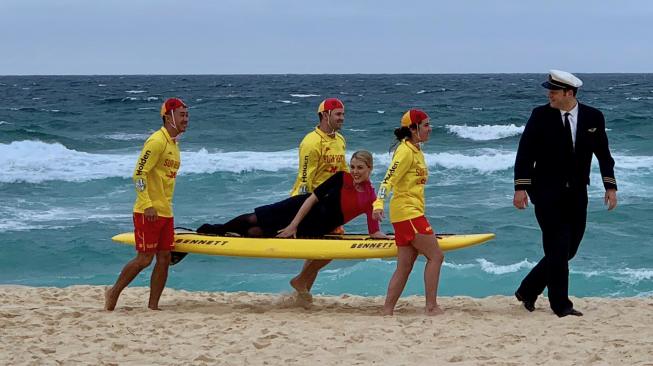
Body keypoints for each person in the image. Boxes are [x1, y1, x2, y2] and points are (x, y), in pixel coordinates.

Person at [197, 151, 387, 297]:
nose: (355, 172)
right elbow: (312, 198)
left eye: (360, 168)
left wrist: (382, 234)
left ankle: (298, 279)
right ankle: (217, 229)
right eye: (352, 166)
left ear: (370, 168)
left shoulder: (370, 196)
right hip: (299, 209)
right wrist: (293, 225)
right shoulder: (341, 178)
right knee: (253, 218)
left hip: (315, 226)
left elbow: (373, 230)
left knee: (258, 232)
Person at [513, 70, 618, 317]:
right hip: (546, 191)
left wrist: (610, 186)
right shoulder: (540, 115)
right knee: (558, 247)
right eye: (549, 90)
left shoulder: (593, 116)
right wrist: (520, 187)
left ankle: (528, 289)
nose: (549, 94)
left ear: (568, 93)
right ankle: (561, 305)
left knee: (569, 249)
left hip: (578, 192)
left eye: (554, 91)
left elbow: (603, 153)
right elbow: (525, 152)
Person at [105, 97, 189, 311]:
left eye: (187, 115)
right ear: (169, 117)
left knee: (164, 258)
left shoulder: (174, 144)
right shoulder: (156, 141)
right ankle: (113, 292)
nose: (186, 119)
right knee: (144, 259)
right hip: (148, 211)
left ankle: (153, 306)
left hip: (166, 211)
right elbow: (139, 173)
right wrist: (147, 203)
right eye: (182, 115)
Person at [373, 109, 445, 316]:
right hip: (408, 213)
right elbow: (388, 179)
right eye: (425, 125)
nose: (430, 129)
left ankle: (387, 311)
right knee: (436, 256)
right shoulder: (405, 152)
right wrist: (378, 204)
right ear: (413, 130)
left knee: (405, 266)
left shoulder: (415, 150)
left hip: (407, 213)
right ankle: (431, 307)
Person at [288, 97, 348, 297]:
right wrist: (301, 209)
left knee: (318, 250)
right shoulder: (310, 142)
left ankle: (302, 293)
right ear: (324, 115)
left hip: (332, 203)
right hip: (313, 203)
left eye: (343, 114)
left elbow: (342, 171)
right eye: (338, 114)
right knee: (332, 246)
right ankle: (300, 282)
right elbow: (304, 178)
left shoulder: (340, 140)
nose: (342, 118)